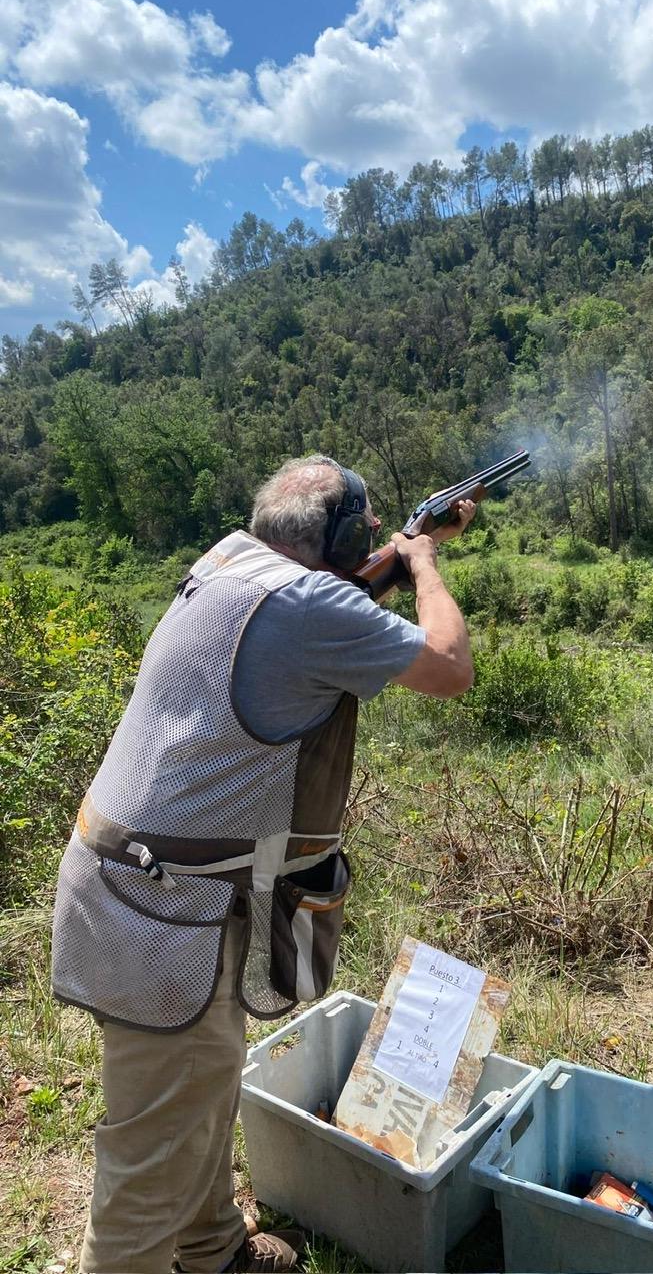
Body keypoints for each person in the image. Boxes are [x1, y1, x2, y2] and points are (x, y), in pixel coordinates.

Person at [50, 455, 476, 1274]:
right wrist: (423, 561)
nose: (384, 538)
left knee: (196, 1090)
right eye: (374, 531)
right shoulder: (312, 603)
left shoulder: (228, 559)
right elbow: (449, 667)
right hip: (161, 916)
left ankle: (212, 1251)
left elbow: (318, 613)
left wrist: (403, 549)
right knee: (147, 1160)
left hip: (149, 892)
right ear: (345, 540)